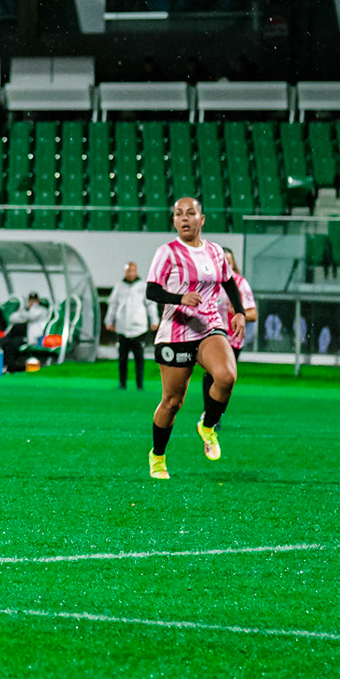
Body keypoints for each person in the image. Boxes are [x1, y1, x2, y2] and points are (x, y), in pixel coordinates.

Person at [144, 197, 246, 479]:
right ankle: (158, 456)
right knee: (172, 402)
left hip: (208, 327)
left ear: (202, 219)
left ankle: (208, 426)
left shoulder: (214, 251)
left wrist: (238, 311)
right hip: (175, 332)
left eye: (191, 213)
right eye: (178, 214)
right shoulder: (167, 252)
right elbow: (151, 290)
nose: (184, 218)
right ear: (174, 221)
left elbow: (227, 281)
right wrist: (179, 298)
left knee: (226, 376)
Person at [204, 247, 257, 406]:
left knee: (225, 377)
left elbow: (253, 314)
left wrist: (239, 313)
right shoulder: (208, 282)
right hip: (212, 335)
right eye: (222, 261)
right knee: (210, 373)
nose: (225, 264)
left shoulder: (240, 283)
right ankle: (209, 413)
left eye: (229, 261)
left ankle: (216, 411)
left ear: (233, 264)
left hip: (232, 339)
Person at [105, 261, 154, 391]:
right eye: (128, 271)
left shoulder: (143, 286)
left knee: (139, 359)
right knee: (122, 359)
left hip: (139, 329)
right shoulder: (119, 287)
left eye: (132, 271)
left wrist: (154, 320)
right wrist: (109, 321)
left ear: (136, 271)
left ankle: (139, 385)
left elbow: (150, 305)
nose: (130, 273)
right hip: (122, 328)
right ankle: (122, 384)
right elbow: (113, 305)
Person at [5, 292, 50, 368]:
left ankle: (12, 366)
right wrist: (24, 313)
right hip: (15, 334)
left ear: (38, 301)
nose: (32, 303)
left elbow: (32, 316)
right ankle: (3, 365)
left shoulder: (42, 310)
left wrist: (26, 312)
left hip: (30, 337)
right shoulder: (24, 310)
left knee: (13, 344)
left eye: (34, 301)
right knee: (4, 341)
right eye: (31, 301)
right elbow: (12, 318)